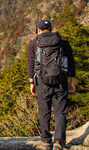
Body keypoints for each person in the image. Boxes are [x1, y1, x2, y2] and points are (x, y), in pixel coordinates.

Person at [27, 20, 76, 150]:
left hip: (42, 82)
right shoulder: (62, 41)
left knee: (44, 111)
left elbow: (31, 63)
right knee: (60, 112)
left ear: (38, 30)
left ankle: (46, 141)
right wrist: (72, 80)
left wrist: (32, 82)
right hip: (60, 81)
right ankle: (59, 142)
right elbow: (70, 60)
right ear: (50, 28)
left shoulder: (34, 43)